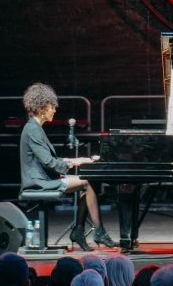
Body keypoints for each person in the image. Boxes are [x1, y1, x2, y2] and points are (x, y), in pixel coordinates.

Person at [19, 83, 115, 249]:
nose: (54, 110)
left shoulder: (35, 128)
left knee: (89, 181)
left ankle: (81, 230)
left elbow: (48, 159)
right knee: (87, 182)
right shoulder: (33, 130)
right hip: (38, 182)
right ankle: (96, 231)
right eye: (51, 106)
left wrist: (80, 160)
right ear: (41, 107)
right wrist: (72, 163)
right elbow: (49, 163)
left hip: (44, 178)